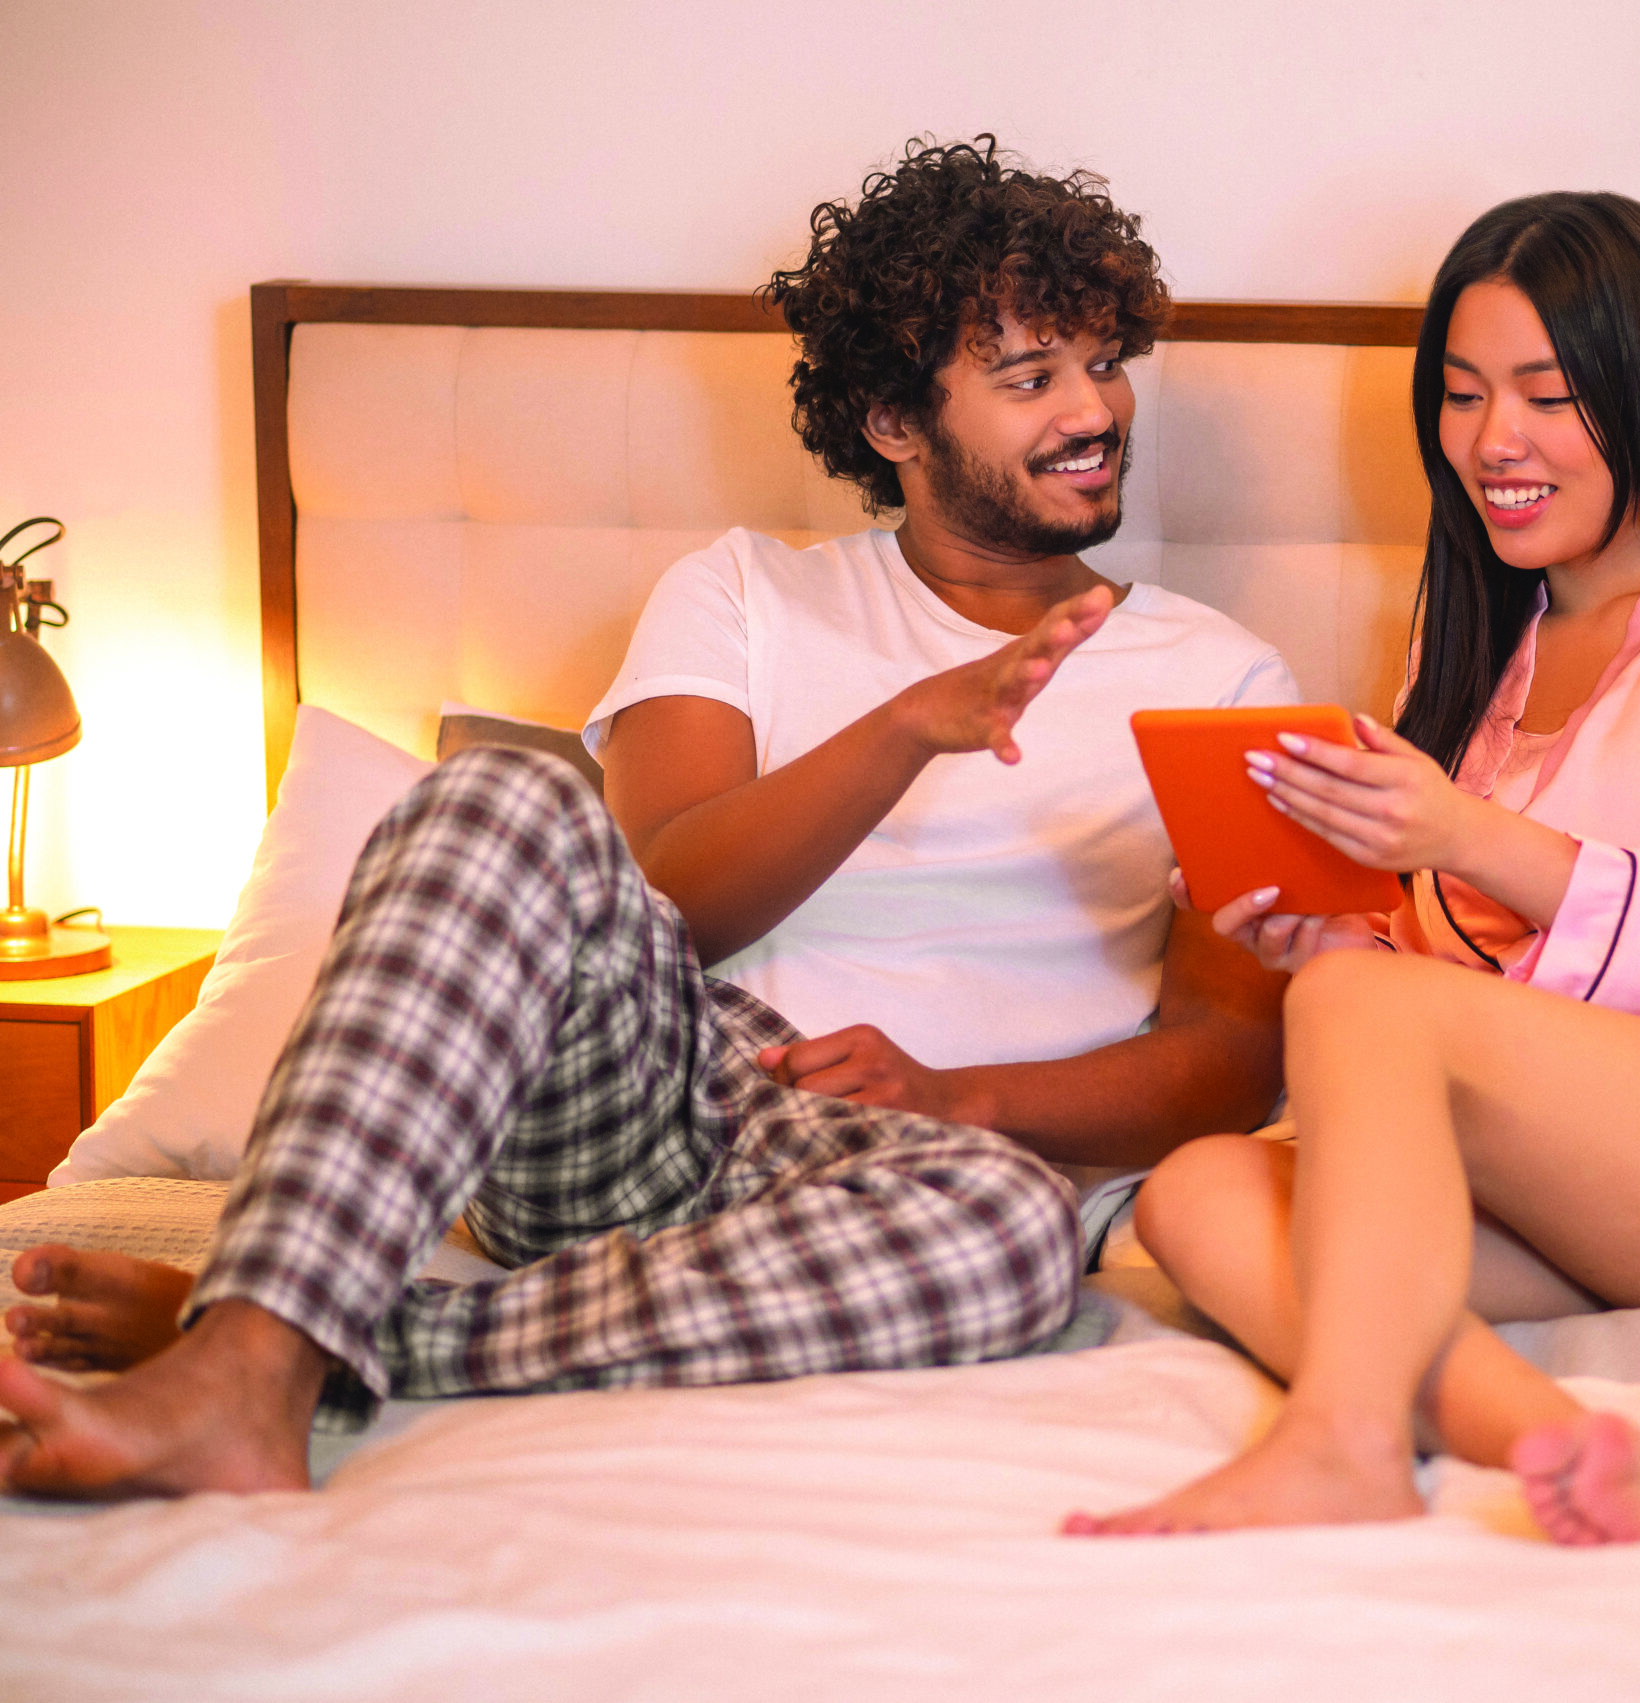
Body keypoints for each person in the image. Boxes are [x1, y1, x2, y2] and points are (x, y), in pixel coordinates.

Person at [0, 137, 1294, 1500]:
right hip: (661, 1097)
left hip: (925, 1177)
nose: (1092, 408)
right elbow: (669, 895)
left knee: (1020, 1231)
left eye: (1104, 361)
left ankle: (297, 1345)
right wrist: (910, 725)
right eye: (1032, 378)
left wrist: (951, 1094)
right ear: (896, 423)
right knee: (494, 795)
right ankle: (249, 1361)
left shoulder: (1221, 677)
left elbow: (1230, 1059)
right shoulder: (742, 593)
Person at [1064, 192, 1640, 1545]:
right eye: (1466, 395)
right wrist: (1326, 941)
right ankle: (1568, 1444)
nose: (1496, 442)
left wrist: (1459, 838)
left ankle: (1343, 1440)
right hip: (1582, 1172)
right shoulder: (1478, 643)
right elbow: (1452, 979)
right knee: (1197, 1187)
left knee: (1363, 1021)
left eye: (1548, 394)